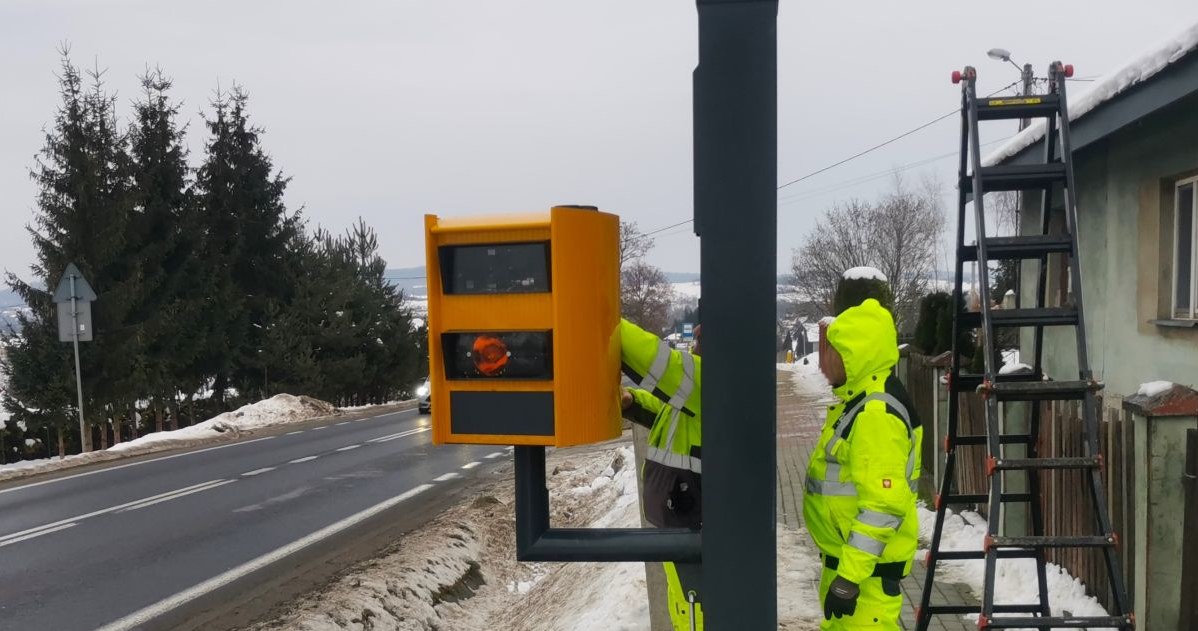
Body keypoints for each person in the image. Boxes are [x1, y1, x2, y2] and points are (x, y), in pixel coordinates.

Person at [804, 298, 923, 630]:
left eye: (834, 351)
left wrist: (849, 578)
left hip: (862, 581)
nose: (826, 361)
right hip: (851, 571)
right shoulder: (862, 402)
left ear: (857, 354)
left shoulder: (875, 415)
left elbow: (883, 507)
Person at [620, 319, 703, 631]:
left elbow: (655, 360)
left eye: (702, 333)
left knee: (695, 613)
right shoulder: (694, 398)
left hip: (695, 537)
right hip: (679, 531)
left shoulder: (714, 382)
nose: (695, 337)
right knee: (683, 609)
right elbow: (663, 408)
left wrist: (600, 317)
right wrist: (632, 401)